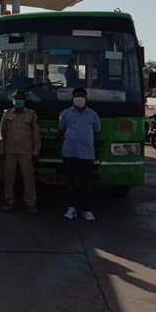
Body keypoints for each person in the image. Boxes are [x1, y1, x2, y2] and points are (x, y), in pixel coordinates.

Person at [59, 88, 101, 222]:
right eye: (77, 96)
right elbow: (61, 128)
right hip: (69, 153)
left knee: (86, 184)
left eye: (82, 96)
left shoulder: (93, 115)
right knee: (70, 183)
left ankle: (86, 210)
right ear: (72, 98)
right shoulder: (65, 114)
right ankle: (71, 209)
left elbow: (97, 129)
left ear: (86, 98)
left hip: (87, 155)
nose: (79, 98)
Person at [0, 89, 41, 215]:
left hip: (26, 152)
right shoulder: (6, 114)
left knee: (29, 178)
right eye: (16, 98)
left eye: (20, 99)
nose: (18, 101)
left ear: (24, 101)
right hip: (9, 151)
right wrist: (1, 151)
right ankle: (9, 202)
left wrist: (36, 152)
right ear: (13, 100)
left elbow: (36, 135)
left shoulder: (31, 114)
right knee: (9, 178)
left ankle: (30, 203)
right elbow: (2, 133)